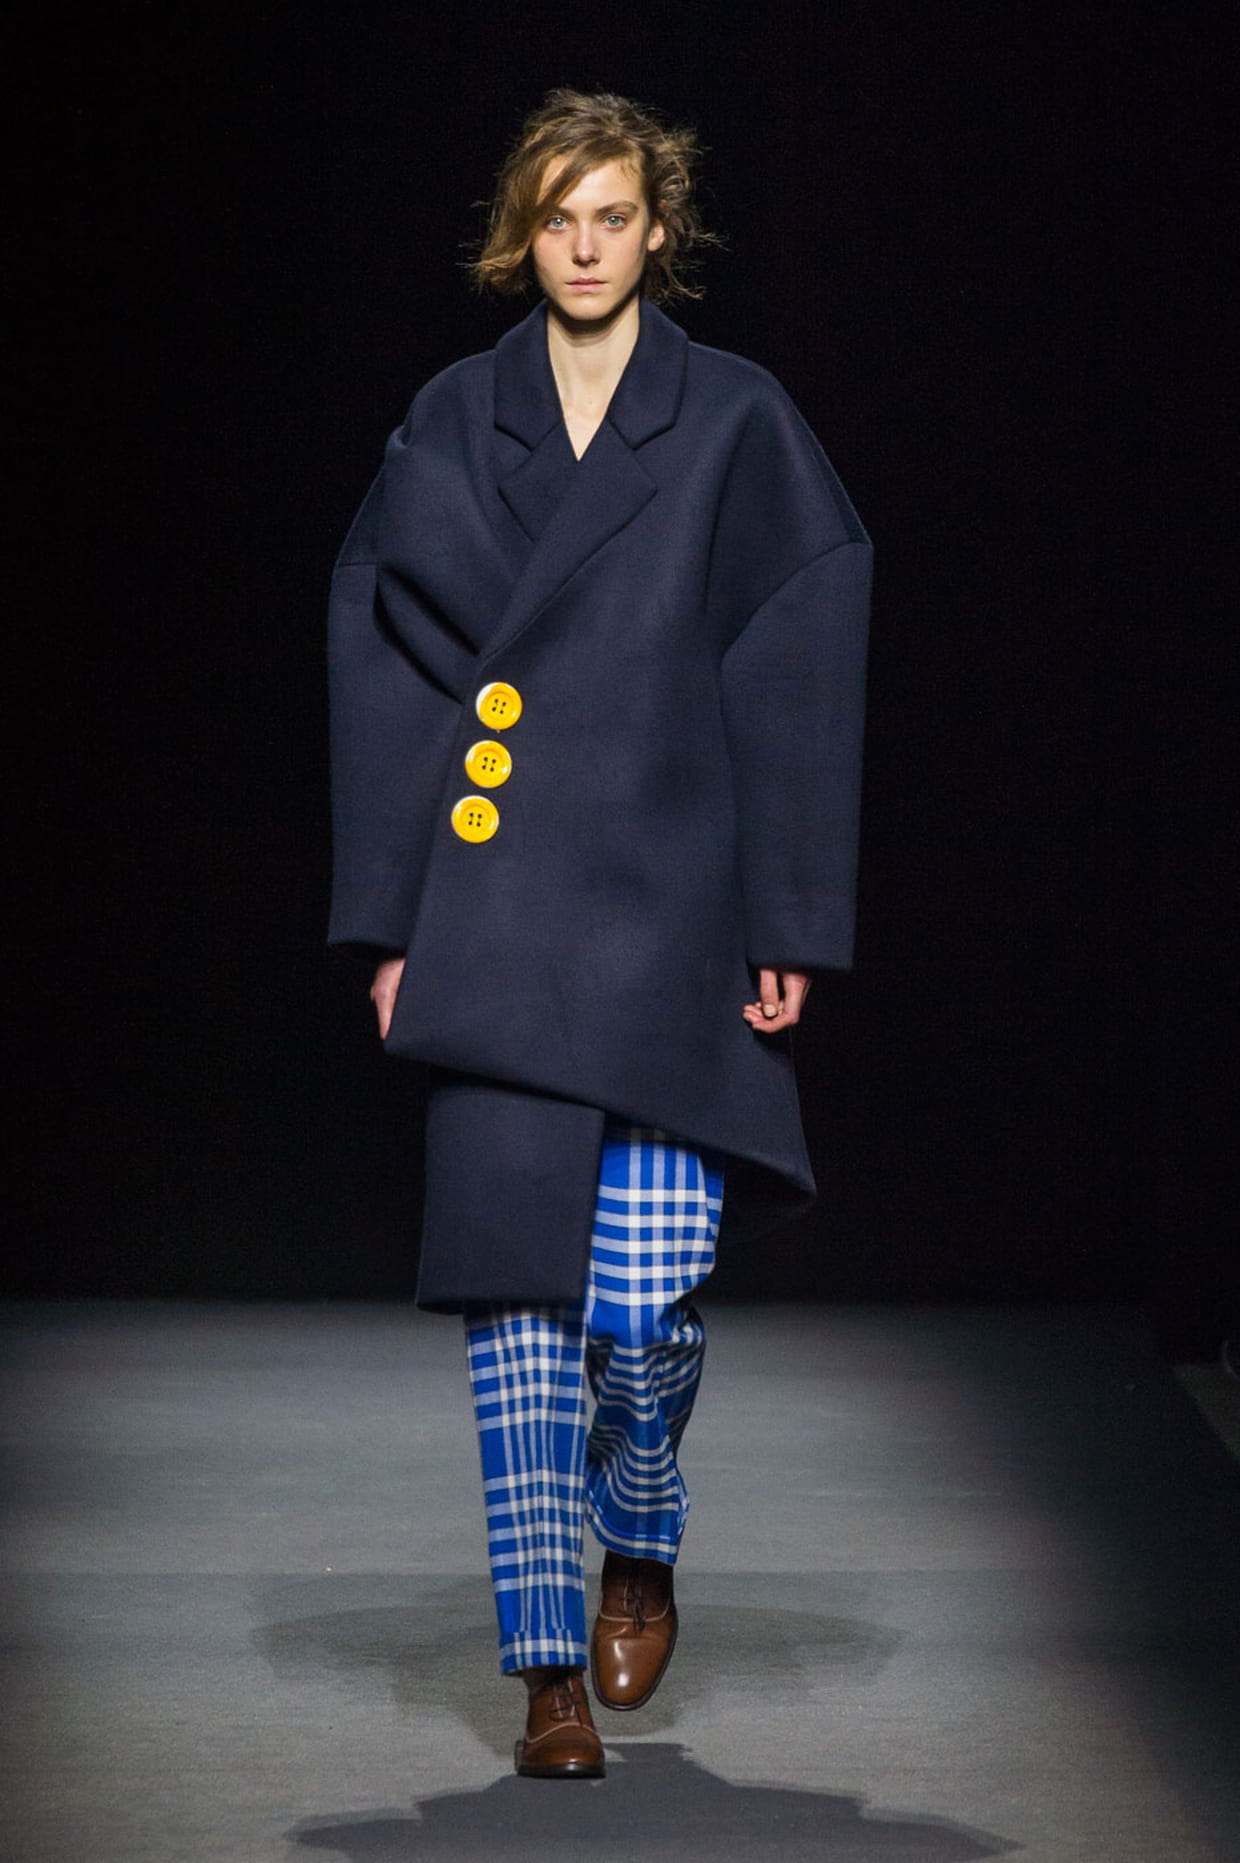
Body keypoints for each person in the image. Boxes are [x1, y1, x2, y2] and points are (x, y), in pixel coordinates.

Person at [327, 88, 871, 1780]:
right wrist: (393, 923)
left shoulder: (733, 418)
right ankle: (546, 1667)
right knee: (516, 1317)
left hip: (666, 917)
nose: (584, 246)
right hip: (495, 926)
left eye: (613, 216)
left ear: (659, 230)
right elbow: (385, 666)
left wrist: (788, 911)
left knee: (640, 1321)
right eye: (559, 216)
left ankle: (641, 1528)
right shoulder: (453, 416)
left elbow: (796, 649)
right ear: (525, 230)